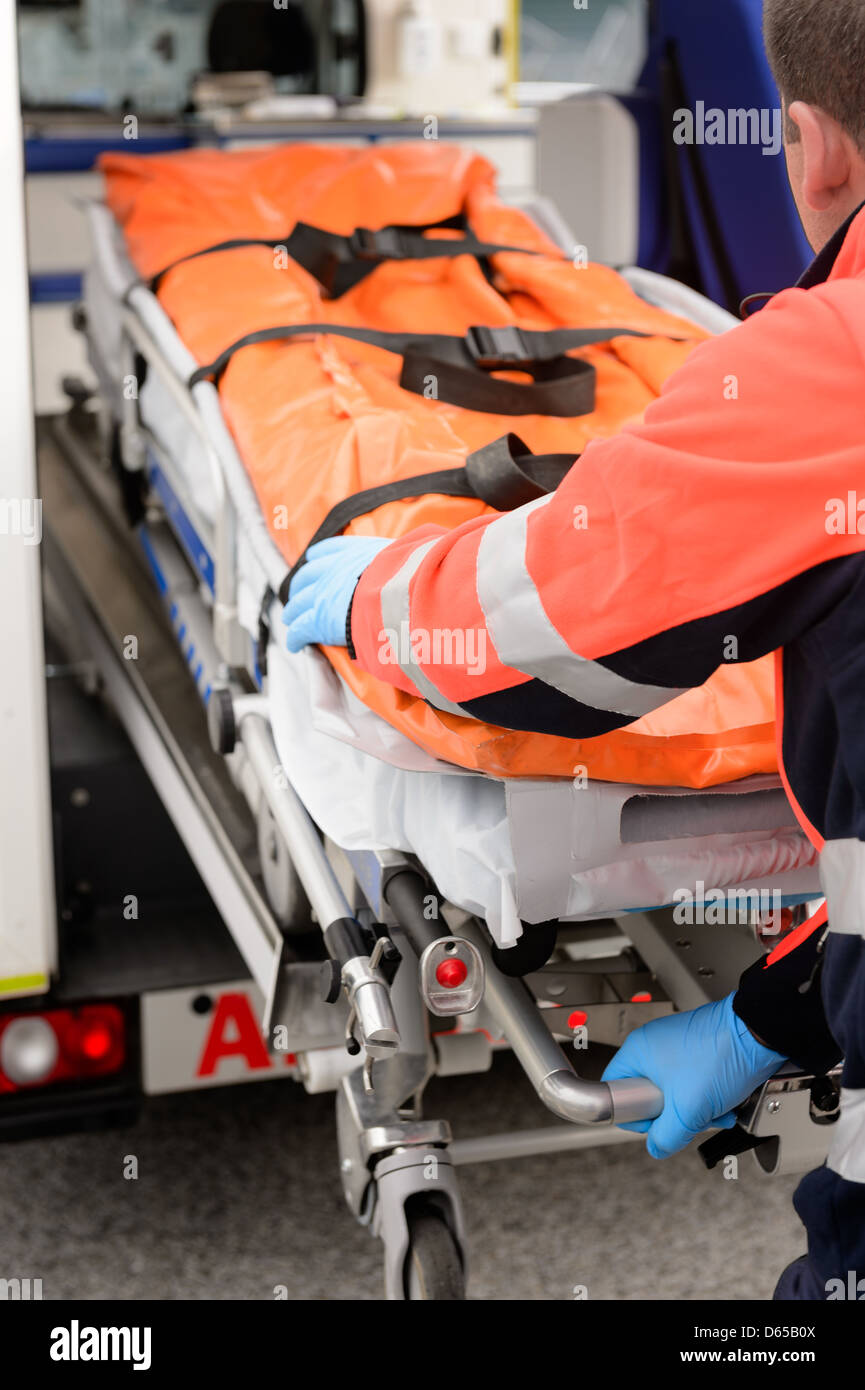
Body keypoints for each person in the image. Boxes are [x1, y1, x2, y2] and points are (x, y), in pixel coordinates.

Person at [282, 0, 865, 1301]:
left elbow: (525, 631)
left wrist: (374, 596)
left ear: (809, 146)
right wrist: (769, 1012)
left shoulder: (824, 374)